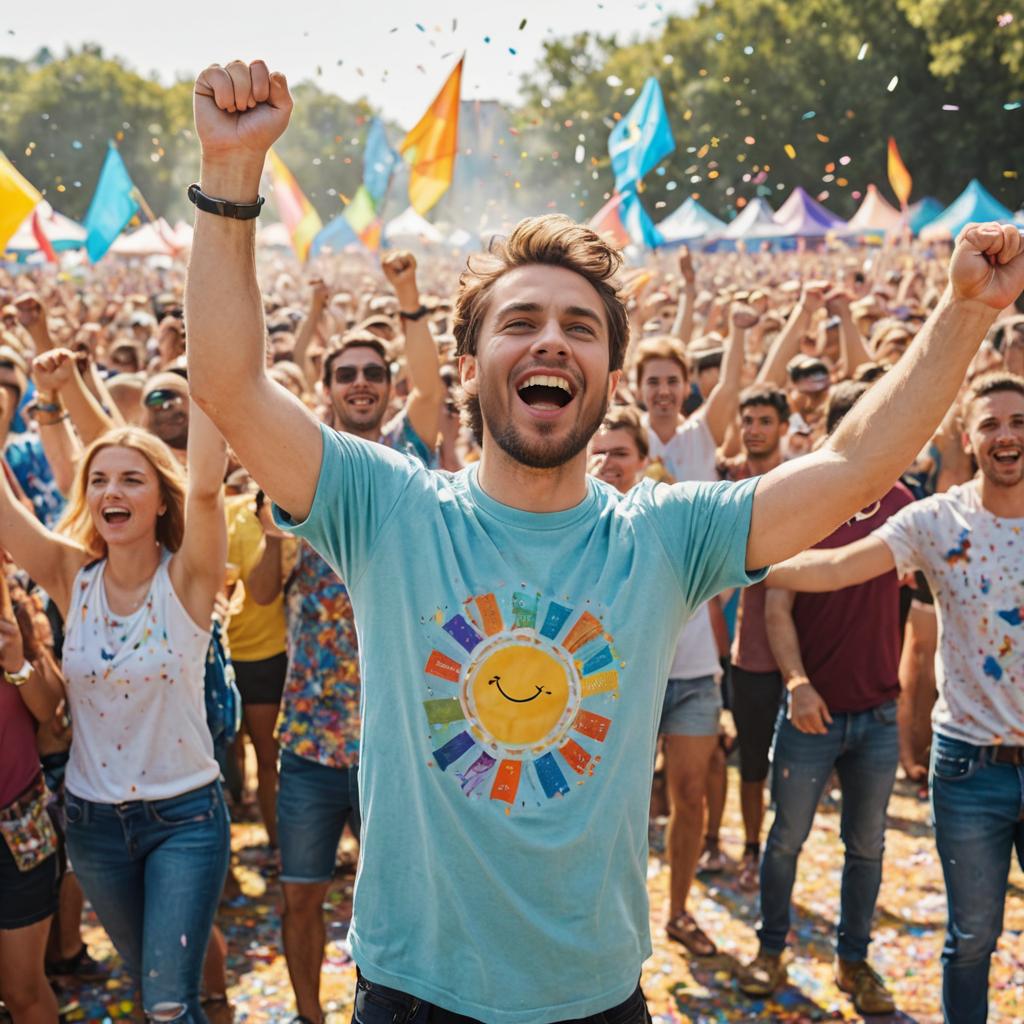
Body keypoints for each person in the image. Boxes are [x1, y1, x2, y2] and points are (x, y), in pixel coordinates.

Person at [185, 57, 1023, 1023]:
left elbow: (851, 470)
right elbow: (230, 388)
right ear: (467, 364)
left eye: (580, 327)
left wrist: (964, 315)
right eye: (522, 322)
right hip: (414, 992)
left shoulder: (665, 534)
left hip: (597, 999)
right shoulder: (387, 508)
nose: (551, 341)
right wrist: (233, 171)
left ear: (611, 373)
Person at [765, 370, 1024, 1024]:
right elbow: (835, 566)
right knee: (971, 941)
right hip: (970, 769)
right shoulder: (936, 520)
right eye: (991, 422)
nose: (1007, 435)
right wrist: (735, 561)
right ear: (967, 438)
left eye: (1018, 421)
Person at [247, 252, 442, 1024]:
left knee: (409, 904)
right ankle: (309, 1015)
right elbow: (261, 596)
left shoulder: (410, 462)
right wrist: (272, 535)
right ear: (326, 391)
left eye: (373, 372)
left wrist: (406, 298)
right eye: (346, 373)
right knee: (300, 899)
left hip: (403, 742)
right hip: (311, 743)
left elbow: (432, 387)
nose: (361, 382)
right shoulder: (306, 471)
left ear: (388, 389)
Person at [0, 404, 231, 1024]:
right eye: (99, 479)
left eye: (132, 478)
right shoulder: (70, 576)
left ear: (160, 499)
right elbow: (6, 517)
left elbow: (207, 488)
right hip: (94, 826)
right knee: (156, 986)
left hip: (184, 817)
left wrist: (212, 376)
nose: (112, 491)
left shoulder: (188, 578)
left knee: (164, 1002)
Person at [738, 381, 913, 1015]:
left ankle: (853, 960)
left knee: (867, 847)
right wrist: (797, 683)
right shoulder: (804, 504)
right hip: (810, 712)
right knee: (786, 840)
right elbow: (777, 605)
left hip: (879, 712)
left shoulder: (905, 505)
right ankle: (771, 947)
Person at [719, 385, 789, 891]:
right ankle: (750, 847)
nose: (754, 428)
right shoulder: (724, 481)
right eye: (748, 419)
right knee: (750, 760)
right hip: (748, 650)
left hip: (806, 647)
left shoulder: (799, 481)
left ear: (782, 426)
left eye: (765, 420)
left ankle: (785, 850)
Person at [0, 573, 65, 1024]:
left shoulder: (15, 617)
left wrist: (18, 662)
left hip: (18, 827)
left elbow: (53, 715)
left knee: (22, 990)